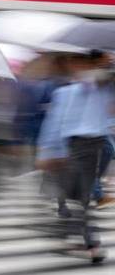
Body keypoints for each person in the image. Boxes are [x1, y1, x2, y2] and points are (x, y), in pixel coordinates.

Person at [37, 50, 113, 263]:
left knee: (83, 196)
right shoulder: (65, 92)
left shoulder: (105, 89)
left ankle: (87, 239)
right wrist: (48, 151)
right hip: (72, 145)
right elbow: (54, 122)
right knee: (81, 196)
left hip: (95, 147)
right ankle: (88, 240)